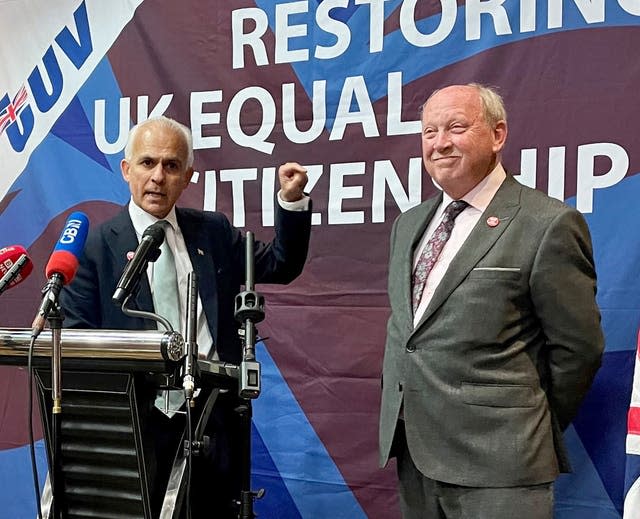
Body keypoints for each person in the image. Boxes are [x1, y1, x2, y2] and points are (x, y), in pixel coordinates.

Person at [60, 116, 311, 518]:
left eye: (171, 166)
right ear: (127, 170)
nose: (158, 176)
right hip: (136, 429)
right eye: (147, 163)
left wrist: (292, 202)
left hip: (213, 418)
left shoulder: (211, 232)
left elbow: (281, 263)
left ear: (187, 176)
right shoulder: (94, 249)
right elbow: (77, 342)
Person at [378, 84, 604, 519]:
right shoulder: (408, 225)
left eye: (456, 127)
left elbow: (579, 349)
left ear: (498, 135)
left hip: (502, 464)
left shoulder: (548, 223)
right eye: (429, 132)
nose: (440, 143)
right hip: (415, 456)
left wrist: (524, 422)